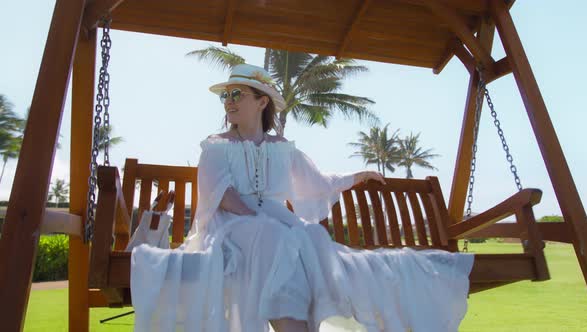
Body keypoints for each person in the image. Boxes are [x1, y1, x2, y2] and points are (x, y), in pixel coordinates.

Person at [130, 64, 475, 332]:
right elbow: (223, 196)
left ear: (261, 101)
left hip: (276, 229)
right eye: (227, 95)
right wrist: (262, 222)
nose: (229, 101)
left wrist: (359, 176)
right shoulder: (216, 146)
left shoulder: (284, 149)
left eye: (238, 94)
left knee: (305, 239)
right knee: (279, 239)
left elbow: (318, 182)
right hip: (231, 229)